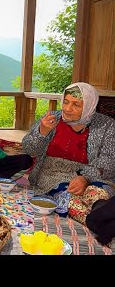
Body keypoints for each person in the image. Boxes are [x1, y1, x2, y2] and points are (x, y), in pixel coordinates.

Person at [22, 82, 115, 225]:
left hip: (94, 175)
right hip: (53, 175)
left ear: (90, 105)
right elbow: (29, 149)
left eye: (76, 105)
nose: (67, 109)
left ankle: (103, 219)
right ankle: (100, 225)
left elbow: (109, 160)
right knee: (72, 200)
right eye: (65, 102)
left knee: (96, 195)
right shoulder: (52, 119)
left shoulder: (107, 125)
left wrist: (86, 177)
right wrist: (42, 132)